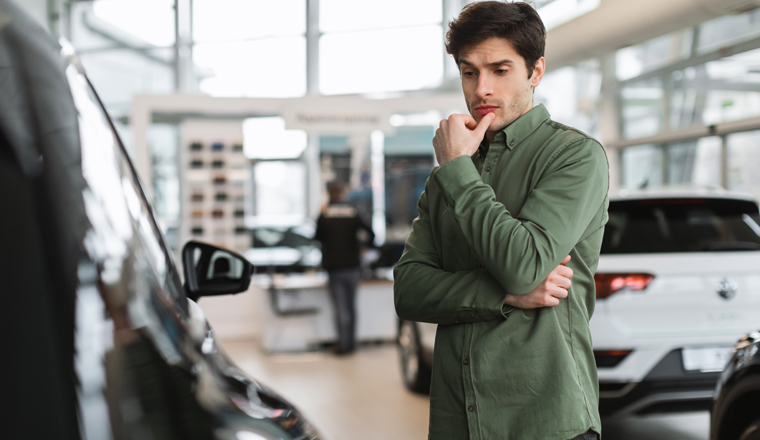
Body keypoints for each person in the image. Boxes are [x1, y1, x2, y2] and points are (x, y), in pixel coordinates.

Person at [393, 2, 609, 439]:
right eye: (469, 72)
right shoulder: (450, 172)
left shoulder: (574, 156)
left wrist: (456, 170)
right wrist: (506, 295)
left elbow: (523, 265)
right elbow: (409, 291)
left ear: (536, 71)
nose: (481, 90)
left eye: (500, 70)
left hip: (546, 420)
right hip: (458, 419)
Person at [315, 181, 375, 355]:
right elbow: (371, 234)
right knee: (351, 307)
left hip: (334, 267)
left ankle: (343, 345)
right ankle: (351, 343)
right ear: (343, 194)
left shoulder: (324, 214)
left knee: (341, 308)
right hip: (353, 266)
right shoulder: (353, 212)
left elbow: (317, 237)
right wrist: (363, 246)